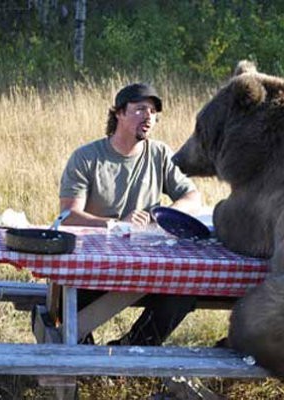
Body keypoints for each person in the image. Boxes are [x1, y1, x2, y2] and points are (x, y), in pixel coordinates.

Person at [58, 83, 202, 345]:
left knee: (185, 292)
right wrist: (114, 224)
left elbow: (193, 197)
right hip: (97, 262)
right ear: (118, 114)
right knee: (63, 303)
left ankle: (132, 350)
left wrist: (165, 215)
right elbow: (68, 215)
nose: (149, 117)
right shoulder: (86, 157)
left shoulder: (160, 154)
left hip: (149, 263)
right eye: (140, 110)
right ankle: (81, 354)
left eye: (153, 111)